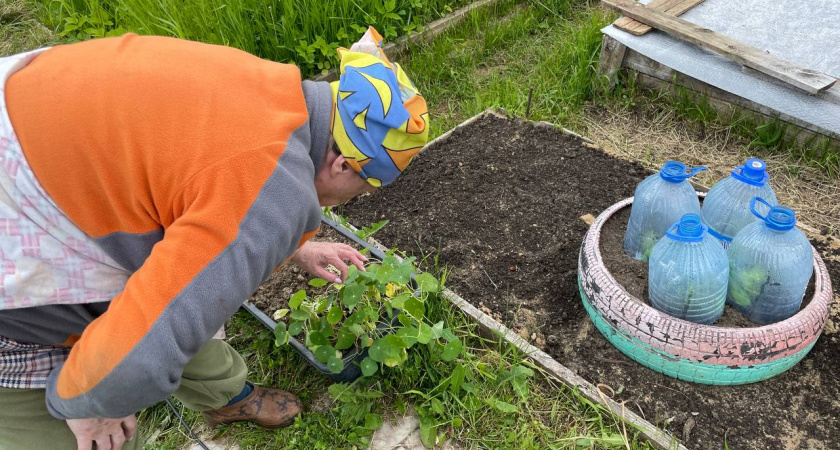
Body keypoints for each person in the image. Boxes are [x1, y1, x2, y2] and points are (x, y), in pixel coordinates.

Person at [0, 26, 429, 450]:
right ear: (341, 166)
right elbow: (136, 362)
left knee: (188, 299)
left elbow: (209, 174)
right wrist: (82, 405)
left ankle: (225, 399)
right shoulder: (276, 191)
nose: (355, 199)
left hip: (28, 121)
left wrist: (299, 245)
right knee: (101, 433)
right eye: (366, 187)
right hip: (20, 259)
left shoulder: (270, 87)